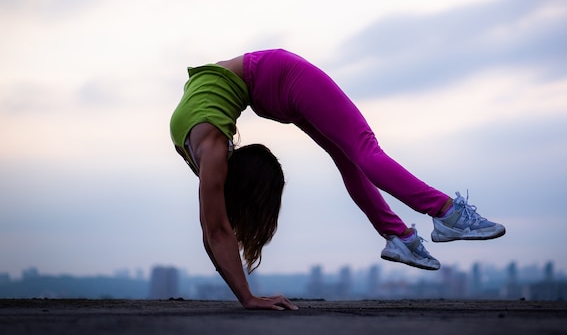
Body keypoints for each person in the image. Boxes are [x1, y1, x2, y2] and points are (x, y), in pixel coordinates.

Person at [170, 49, 505, 310]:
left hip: (270, 86)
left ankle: (399, 235)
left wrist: (246, 296)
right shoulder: (211, 151)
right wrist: (248, 297)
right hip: (279, 76)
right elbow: (213, 231)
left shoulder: (208, 157)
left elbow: (213, 230)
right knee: (363, 151)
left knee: (351, 157)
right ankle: (446, 215)